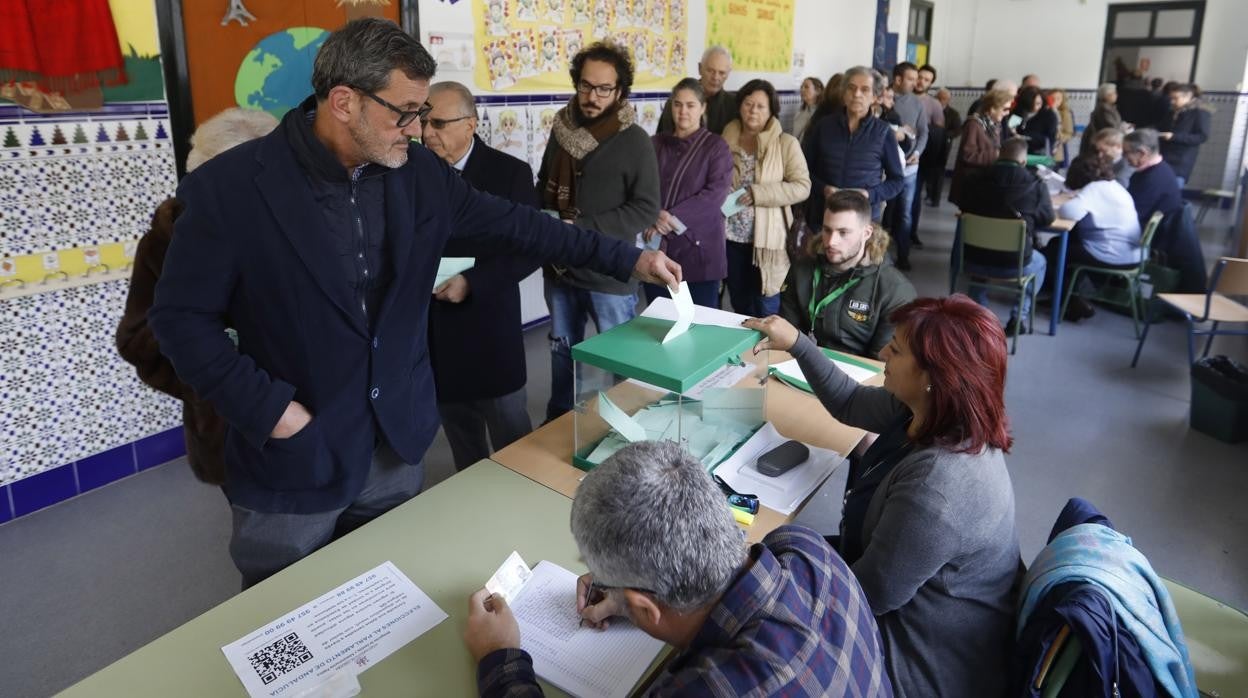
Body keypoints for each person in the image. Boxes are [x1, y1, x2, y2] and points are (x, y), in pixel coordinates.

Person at [148, 19, 680, 587]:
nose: (417, 129)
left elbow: (522, 226)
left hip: (395, 446)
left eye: (422, 113)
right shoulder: (231, 189)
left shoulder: (418, 175)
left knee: (385, 597)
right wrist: (269, 409)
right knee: (287, 620)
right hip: (295, 460)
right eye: (404, 112)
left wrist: (627, 258)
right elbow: (180, 321)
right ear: (344, 101)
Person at [743, 295, 1023, 698]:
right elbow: (850, 401)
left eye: (896, 349)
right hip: (901, 600)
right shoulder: (927, 409)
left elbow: (864, 596)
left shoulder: (939, 488)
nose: (882, 353)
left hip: (913, 662)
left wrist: (750, 587)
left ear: (934, 375)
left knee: (756, 631)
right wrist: (799, 344)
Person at [463, 440, 894, 697]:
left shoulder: (703, 689)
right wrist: (629, 595)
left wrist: (500, 657)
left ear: (647, 610)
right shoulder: (805, 549)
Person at [116, 108, 279, 488]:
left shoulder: (301, 227)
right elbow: (136, 341)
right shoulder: (166, 242)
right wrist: (205, 380)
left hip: (314, 420)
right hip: (230, 430)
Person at [537, 41, 661, 421]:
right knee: (562, 350)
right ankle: (559, 419)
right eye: (586, 86)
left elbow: (645, 208)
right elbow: (544, 183)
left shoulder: (634, 140)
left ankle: (629, 423)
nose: (593, 97)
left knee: (619, 358)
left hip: (609, 272)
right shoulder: (562, 129)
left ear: (620, 91)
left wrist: (582, 229)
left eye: (604, 89)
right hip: (560, 266)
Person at [422, 81, 537, 470]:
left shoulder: (511, 175)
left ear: (470, 124)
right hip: (436, 331)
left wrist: (474, 282)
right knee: (462, 441)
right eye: (423, 120)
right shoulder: (412, 173)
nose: (425, 133)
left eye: (438, 123)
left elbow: (530, 250)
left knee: (512, 438)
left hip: (489, 329)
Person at [780, 190, 916, 357]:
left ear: (866, 233)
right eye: (827, 230)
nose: (831, 241)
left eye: (843, 233)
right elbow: (787, 335)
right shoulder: (801, 270)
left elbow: (882, 363)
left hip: (859, 378)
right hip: (801, 365)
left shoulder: (895, 291)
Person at [721, 79, 811, 316]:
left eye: (761, 106)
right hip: (730, 237)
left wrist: (758, 193)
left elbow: (802, 186)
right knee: (738, 302)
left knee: (766, 303)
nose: (753, 110)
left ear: (771, 111)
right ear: (740, 105)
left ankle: (766, 352)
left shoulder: (786, 144)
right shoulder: (725, 140)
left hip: (768, 241)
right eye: (748, 104)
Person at [644, 77, 734, 308]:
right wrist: (654, 213)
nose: (683, 111)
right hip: (657, 245)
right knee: (659, 320)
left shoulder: (716, 146)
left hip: (699, 249)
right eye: (677, 104)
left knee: (702, 327)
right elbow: (639, 185)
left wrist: (669, 218)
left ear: (703, 108)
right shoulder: (656, 143)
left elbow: (715, 195)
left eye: (690, 105)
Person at [956, 137, 1054, 336]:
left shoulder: (974, 179)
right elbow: (1047, 219)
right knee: (1040, 261)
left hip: (973, 259)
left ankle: (978, 317)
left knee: (982, 255)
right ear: (1024, 161)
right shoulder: (1036, 185)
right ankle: (1018, 317)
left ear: (999, 154)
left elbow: (963, 207)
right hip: (1015, 264)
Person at [803, 65, 905, 240]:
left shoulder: (883, 133)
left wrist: (869, 195)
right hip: (823, 217)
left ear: (875, 97)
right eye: (851, 88)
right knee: (819, 265)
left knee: (857, 266)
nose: (857, 94)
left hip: (862, 221)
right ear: (843, 93)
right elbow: (803, 170)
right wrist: (823, 188)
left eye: (865, 90)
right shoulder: (823, 127)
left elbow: (897, 181)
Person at [1044, 153, 1142, 321]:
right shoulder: (1113, 185)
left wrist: (1074, 199)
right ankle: (1065, 298)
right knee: (1059, 243)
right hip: (1130, 253)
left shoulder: (1094, 189)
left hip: (1111, 254)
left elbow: (1069, 212)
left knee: (1056, 251)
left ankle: (1071, 301)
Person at [1124, 128, 1207, 292]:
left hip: (1146, 240)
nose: (1124, 158)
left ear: (1142, 153)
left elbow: (1131, 215)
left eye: (1127, 153)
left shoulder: (1151, 179)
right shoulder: (1161, 170)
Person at [882, 62, 929, 269]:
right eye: (911, 78)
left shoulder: (917, 103)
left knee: (905, 213)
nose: (916, 82)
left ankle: (903, 255)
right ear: (898, 79)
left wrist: (917, 152)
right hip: (884, 169)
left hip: (909, 168)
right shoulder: (882, 98)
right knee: (882, 212)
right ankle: (879, 257)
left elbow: (923, 131)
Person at [949, 89, 1011, 207]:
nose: (1007, 113)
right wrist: (997, 155)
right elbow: (967, 155)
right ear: (992, 108)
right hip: (970, 184)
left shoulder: (994, 125)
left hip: (983, 182)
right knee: (966, 221)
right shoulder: (974, 124)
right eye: (1005, 109)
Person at [657, 45, 734, 135]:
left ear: (728, 73)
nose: (716, 77)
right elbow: (662, 140)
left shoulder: (733, 105)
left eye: (722, 73)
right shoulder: (678, 99)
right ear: (700, 68)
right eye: (710, 71)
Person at [1158, 83, 1210, 188]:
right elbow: (1161, 126)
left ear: (1188, 96)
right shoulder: (1173, 111)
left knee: (1173, 192)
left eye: (1175, 98)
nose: (1172, 101)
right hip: (1165, 156)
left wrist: (1174, 137)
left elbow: (1202, 136)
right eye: (1171, 98)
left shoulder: (1200, 112)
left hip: (1181, 160)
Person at [913, 64, 945, 225]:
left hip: (921, 157)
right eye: (919, 77)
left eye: (926, 80)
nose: (921, 82)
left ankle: (911, 232)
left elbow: (938, 133)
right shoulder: (901, 98)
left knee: (914, 195)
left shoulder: (934, 104)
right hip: (898, 155)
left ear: (930, 84)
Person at [925, 88, 961, 206]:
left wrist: (945, 135)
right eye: (939, 98)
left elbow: (957, 130)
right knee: (928, 170)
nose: (941, 101)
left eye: (944, 99)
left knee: (939, 172)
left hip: (944, 146)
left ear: (948, 100)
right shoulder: (929, 109)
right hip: (929, 144)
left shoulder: (953, 114)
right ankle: (929, 193)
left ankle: (936, 199)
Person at [1080, 83, 1124, 155]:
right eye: (1114, 93)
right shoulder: (1104, 109)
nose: (1116, 95)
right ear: (1107, 95)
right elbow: (1111, 127)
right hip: (1101, 141)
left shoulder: (1108, 107)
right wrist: (1123, 129)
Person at [1013, 85, 1057, 156]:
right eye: (1032, 104)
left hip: (1039, 152)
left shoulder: (1048, 114)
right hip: (1019, 151)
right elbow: (1011, 127)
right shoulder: (1018, 112)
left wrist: (1026, 137)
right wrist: (1013, 133)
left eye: (1038, 103)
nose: (1036, 107)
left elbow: (1050, 137)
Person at [791, 75, 823, 141]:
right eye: (801, 87)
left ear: (818, 91)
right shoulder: (801, 111)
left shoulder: (822, 113)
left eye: (806, 87)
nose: (802, 90)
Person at [1047, 89, 1074, 164]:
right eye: (1052, 98)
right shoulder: (1043, 111)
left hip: (1056, 151)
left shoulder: (1065, 114)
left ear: (1062, 100)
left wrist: (1059, 137)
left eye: (1058, 98)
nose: (1055, 101)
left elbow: (1069, 133)